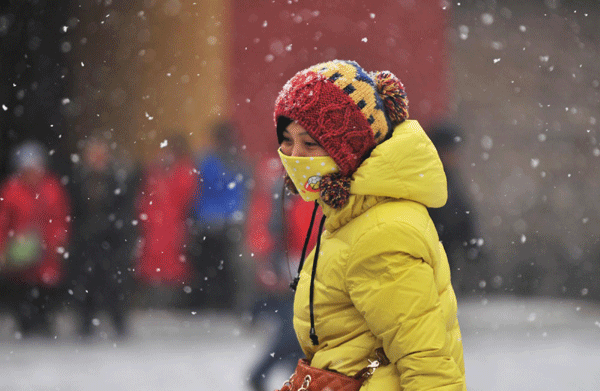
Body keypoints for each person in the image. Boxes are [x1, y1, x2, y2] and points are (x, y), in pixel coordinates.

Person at [272, 60, 466, 390]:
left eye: (309, 142)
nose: (293, 155)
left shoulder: (380, 232)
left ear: (348, 147)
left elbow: (426, 362)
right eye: (287, 140)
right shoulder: (350, 214)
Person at [68, 135, 137, 338]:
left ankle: (119, 323)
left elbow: (125, 211)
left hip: (111, 241)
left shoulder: (117, 180)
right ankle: (85, 324)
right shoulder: (78, 180)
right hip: (85, 241)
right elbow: (72, 211)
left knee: (114, 285)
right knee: (85, 285)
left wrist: (110, 226)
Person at [0, 140, 71, 337]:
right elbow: (3, 221)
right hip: (20, 252)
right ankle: (25, 325)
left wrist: (56, 240)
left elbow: (60, 216)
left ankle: (44, 323)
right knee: (22, 289)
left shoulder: (52, 187)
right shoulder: (11, 190)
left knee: (46, 290)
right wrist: (5, 247)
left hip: (46, 251)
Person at [190, 121, 250, 310]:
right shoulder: (232, 162)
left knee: (212, 268)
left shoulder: (209, 161)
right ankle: (218, 304)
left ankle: (213, 303)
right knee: (218, 267)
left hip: (213, 222)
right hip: (221, 222)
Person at [135, 133, 197, 306]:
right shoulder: (154, 172)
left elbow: (184, 197)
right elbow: (145, 199)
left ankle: (168, 302)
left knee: (171, 266)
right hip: (155, 226)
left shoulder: (184, 171)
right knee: (153, 265)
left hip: (172, 226)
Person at [428, 123, 486, 294]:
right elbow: (453, 214)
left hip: (444, 256)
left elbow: (462, 212)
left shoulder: (450, 177)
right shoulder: (432, 178)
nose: (455, 156)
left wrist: (472, 243)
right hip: (432, 256)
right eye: (451, 151)